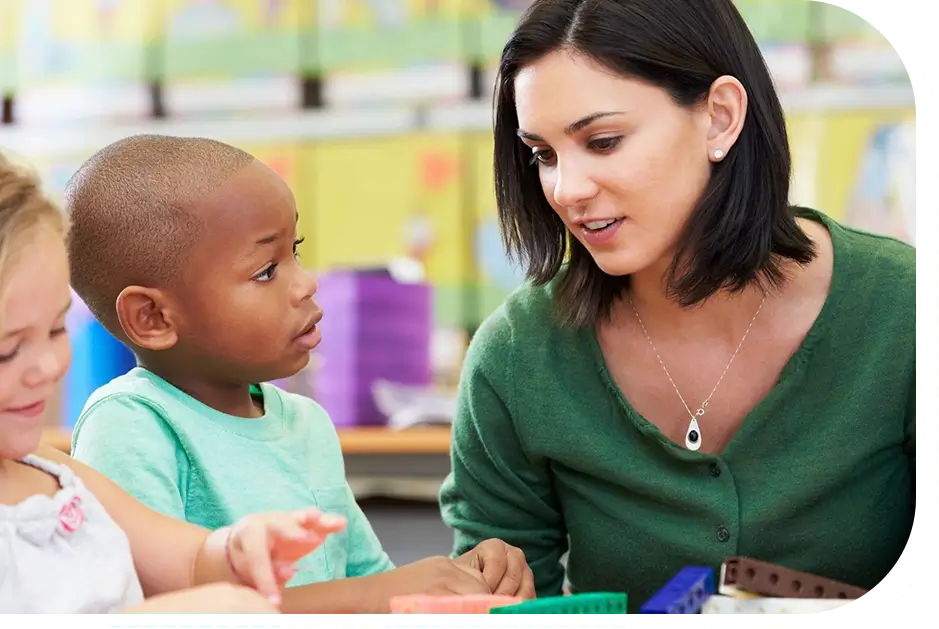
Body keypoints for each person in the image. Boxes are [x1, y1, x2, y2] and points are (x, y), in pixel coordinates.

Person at [438, 0, 923, 614]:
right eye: (544, 155)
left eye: (604, 141)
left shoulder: (910, 310)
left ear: (719, 117)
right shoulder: (516, 355)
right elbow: (504, 607)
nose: (567, 189)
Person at [63, 135, 534, 615]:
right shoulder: (129, 424)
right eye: (266, 270)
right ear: (153, 318)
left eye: (297, 250)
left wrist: (464, 578)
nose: (307, 282)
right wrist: (382, 596)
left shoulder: (306, 423)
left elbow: (374, 590)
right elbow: (163, 614)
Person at [0, 154, 348, 615]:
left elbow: (186, 562)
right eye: (7, 349)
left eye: (56, 330)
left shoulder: (52, 473)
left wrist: (235, 548)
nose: (47, 366)